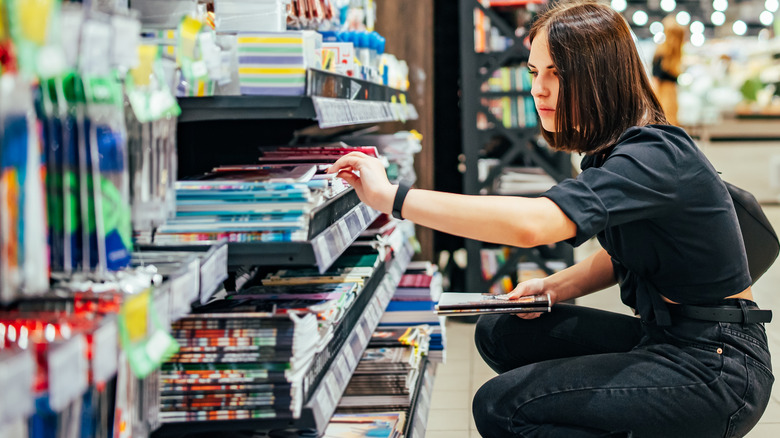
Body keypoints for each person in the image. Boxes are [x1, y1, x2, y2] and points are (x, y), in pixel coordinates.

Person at [328, 1, 773, 436]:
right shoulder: (612, 154)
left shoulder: (654, 154)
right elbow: (630, 252)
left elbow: (533, 225)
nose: (538, 88)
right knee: (501, 330)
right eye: (534, 72)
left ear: (599, 76)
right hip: (663, 337)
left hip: (717, 365)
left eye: (556, 73)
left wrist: (394, 198)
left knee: (503, 408)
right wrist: (555, 287)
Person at [652, 15, 686, 126]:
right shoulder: (662, 52)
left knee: (668, 120)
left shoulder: (670, 53)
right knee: (666, 120)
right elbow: (656, 77)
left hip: (669, 93)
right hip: (663, 92)